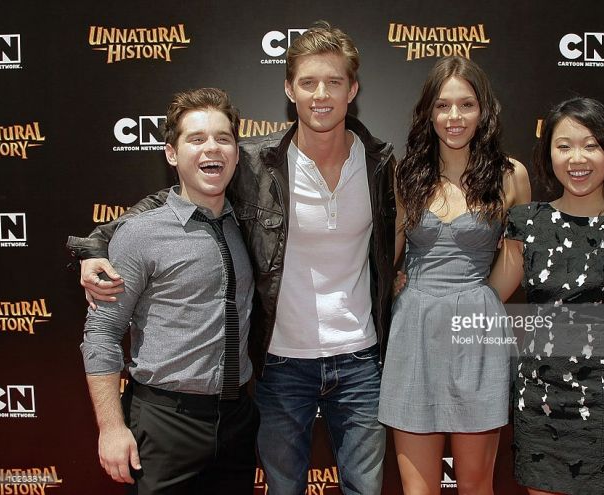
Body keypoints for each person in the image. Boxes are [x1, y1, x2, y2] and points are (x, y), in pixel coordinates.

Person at [68, 22, 395, 495]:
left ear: (353, 90)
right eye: (308, 82)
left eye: (334, 81)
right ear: (290, 90)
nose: (321, 94)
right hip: (279, 366)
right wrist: (94, 247)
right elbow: (170, 202)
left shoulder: (381, 164)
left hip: (359, 362)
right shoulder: (257, 164)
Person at [80, 87, 259, 494]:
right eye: (196, 139)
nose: (211, 148)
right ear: (171, 154)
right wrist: (111, 428)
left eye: (223, 138)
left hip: (237, 422)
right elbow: (102, 333)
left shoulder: (250, 226)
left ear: (236, 153)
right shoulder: (140, 234)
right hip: (164, 424)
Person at [489, 97, 604, 495]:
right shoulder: (526, 222)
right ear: (548, 153)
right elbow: (489, 294)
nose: (577, 158)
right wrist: (420, 280)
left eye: (591, 145)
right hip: (539, 398)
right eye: (564, 146)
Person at [379, 56, 530, 494]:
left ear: (484, 110)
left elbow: (515, 260)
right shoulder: (406, 174)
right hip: (414, 329)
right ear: (429, 112)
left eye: (466, 104)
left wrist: (475, 301)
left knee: (477, 485)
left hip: (478, 332)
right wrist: (392, 284)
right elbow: (388, 253)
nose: (454, 116)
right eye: (443, 105)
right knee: (417, 489)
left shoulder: (510, 176)